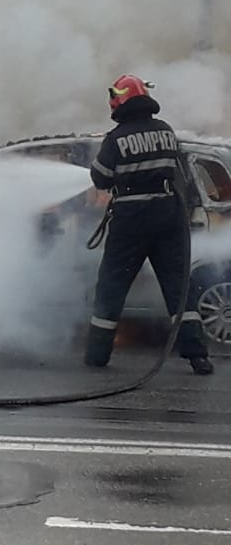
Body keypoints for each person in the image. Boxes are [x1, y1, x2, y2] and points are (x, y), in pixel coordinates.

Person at [85, 74, 213, 375]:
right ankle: (197, 355)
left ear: (119, 100)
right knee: (178, 285)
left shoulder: (116, 139)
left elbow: (100, 178)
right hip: (168, 215)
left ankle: (98, 355)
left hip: (131, 219)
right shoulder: (165, 130)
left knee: (112, 285)